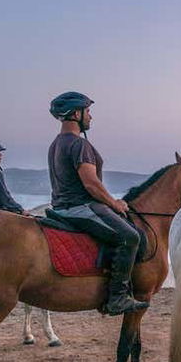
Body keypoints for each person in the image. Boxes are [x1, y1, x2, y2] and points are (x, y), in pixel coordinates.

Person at [45, 91, 147, 315]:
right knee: (131, 237)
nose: (90, 117)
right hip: (80, 207)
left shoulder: (56, 144)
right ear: (76, 113)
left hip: (61, 207)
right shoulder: (79, 144)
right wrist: (114, 203)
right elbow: (91, 184)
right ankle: (117, 298)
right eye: (88, 111)